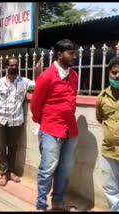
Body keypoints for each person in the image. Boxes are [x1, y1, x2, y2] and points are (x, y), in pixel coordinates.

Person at [30, 39, 79, 211]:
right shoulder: (46, 76)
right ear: (59, 54)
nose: (74, 57)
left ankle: (57, 202)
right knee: (47, 169)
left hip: (70, 130)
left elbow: (71, 102)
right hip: (51, 129)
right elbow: (35, 103)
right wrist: (41, 122)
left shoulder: (74, 76)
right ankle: (41, 204)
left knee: (65, 169)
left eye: (74, 53)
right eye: (70, 53)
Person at [0, 56, 36, 187]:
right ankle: (3, 173)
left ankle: (11, 172)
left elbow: (39, 85)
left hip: (16, 120)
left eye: (16, 65)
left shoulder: (24, 82)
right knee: (1, 148)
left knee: (13, 147)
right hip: (0, 120)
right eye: (11, 65)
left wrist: (38, 71)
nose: (14, 67)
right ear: (6, 67)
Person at [95, 56, 119, 212]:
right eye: (114, 72)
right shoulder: (102, 97)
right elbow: (101, 118)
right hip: (109, 152)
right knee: (111, 191)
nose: (117, 76)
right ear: (109, 73)